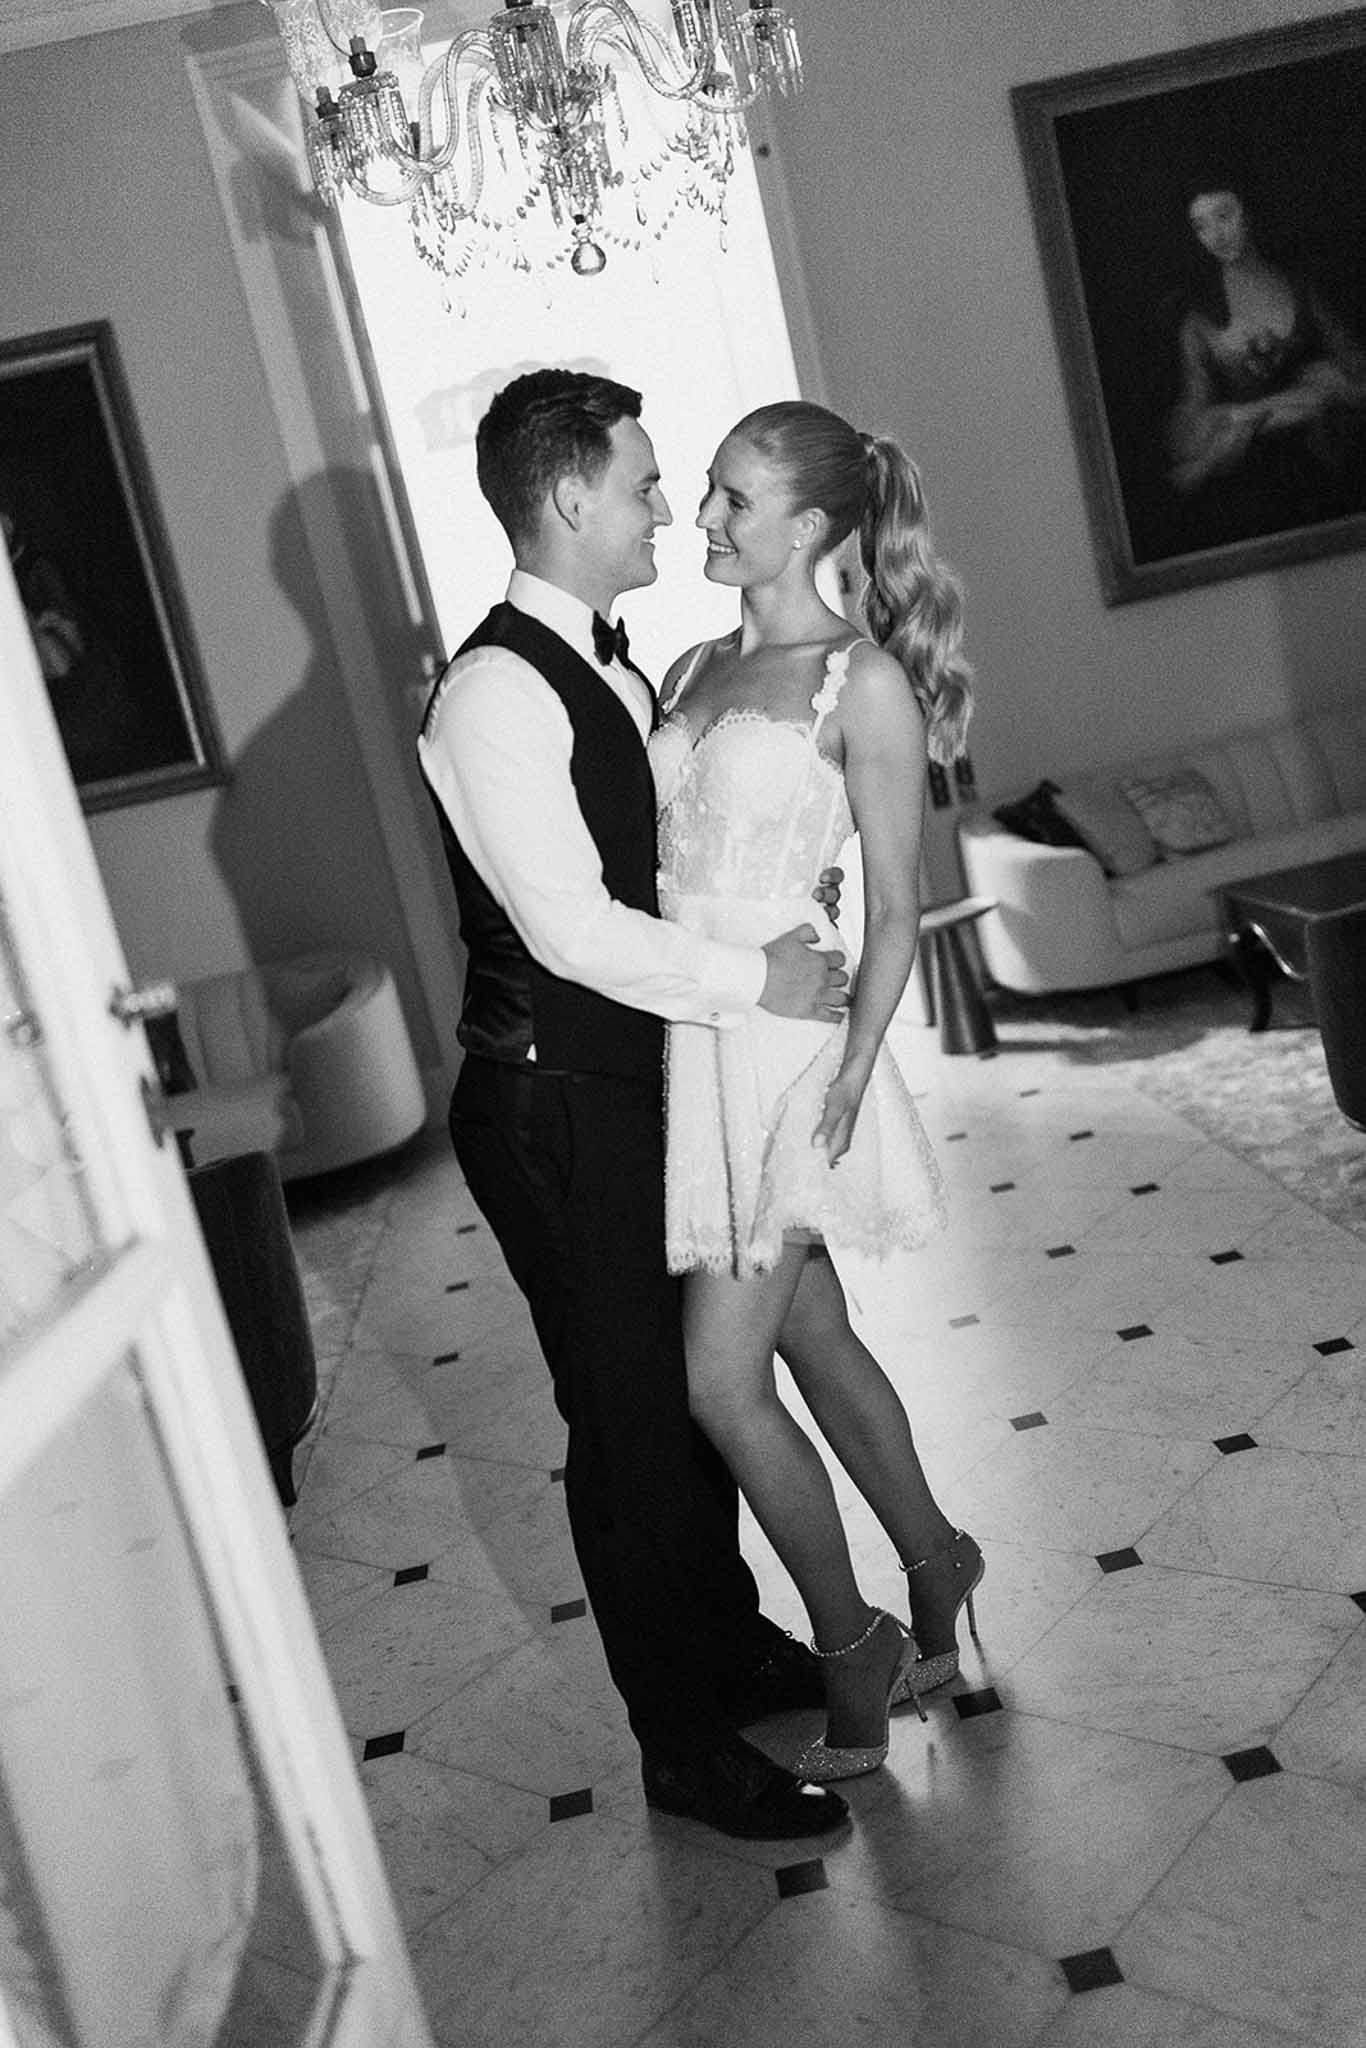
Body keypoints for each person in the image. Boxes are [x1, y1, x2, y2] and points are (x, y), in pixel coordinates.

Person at [416, 368, 857, 1843]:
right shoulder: (490, 691)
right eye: (647, 482)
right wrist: (757, 980)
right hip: (548, 1103)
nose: (669, 505)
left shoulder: (609, 667)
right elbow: (571, 932)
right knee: (622, 1427)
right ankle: (683, 1742)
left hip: (627, 1082)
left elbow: (652, 865)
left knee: (675, 1410)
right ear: (566, 499)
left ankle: (725, 1646)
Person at [648, 399, 982, 1782]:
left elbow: (898, 908)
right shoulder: (688, 662)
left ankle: (852, 1650)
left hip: (791, 1069)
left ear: (811, 526)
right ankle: (940, 1560)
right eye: (710, 495)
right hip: (698, 1042)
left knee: (719, 1384)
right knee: (812, 1341)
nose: (705, 520)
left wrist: (850, 1076)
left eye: (732, 499)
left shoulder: (865, 685)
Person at [1164, 177, 1366, 524]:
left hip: (1325, 466)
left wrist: (1247, 415)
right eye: (1202, 226)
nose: (1216, 235)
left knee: (1328, 387)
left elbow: (1354, 365)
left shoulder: (1300, 288)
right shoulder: (1198, 320)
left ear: (1249, 212)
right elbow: (1197, 414)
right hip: (1253, 485)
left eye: (1225, 216)